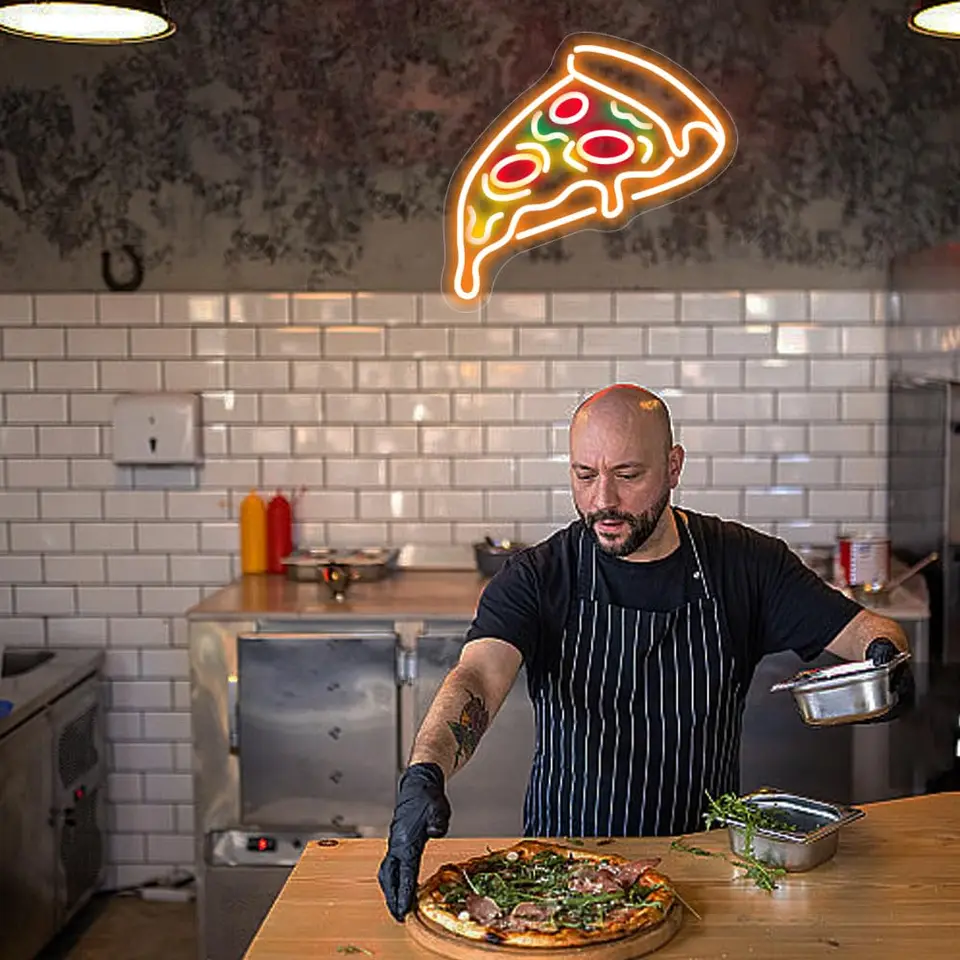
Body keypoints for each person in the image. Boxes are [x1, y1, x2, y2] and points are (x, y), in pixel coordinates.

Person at [377, 383, 911, 921]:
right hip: (557, 880)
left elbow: (870, 630)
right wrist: (425, 772)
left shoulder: (744, 565)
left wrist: (888, 666)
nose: (603, 501)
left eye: (628, 476)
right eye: (585, 476)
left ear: (673, 466)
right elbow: (477, 677)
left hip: (704, 877)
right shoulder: (540, 576)